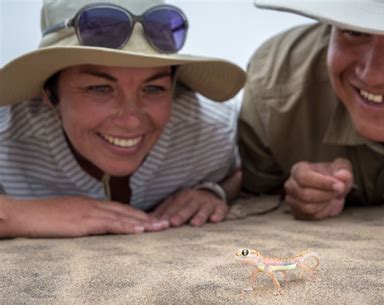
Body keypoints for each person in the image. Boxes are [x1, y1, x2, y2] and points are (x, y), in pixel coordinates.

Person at [0, 0, 246, 238]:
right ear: (49, 93)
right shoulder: (7, 134)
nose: (131, 121)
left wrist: (214, 191)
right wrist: (20, 214)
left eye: (153, 89)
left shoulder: (210, 129)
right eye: (99, 89)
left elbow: (247, 169)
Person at [238, 0, 384, 220]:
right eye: (353, 31)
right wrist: (294, 192)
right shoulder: (274, 82)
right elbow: (252, 196)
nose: (373, 75)